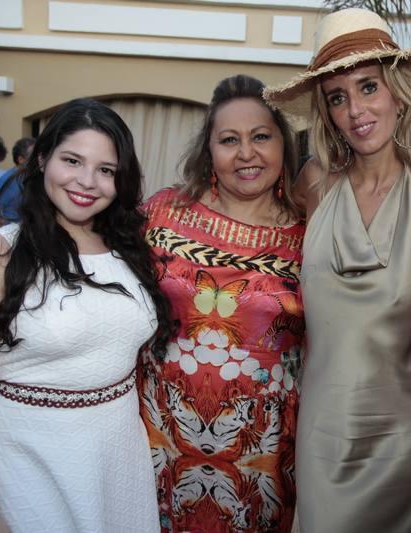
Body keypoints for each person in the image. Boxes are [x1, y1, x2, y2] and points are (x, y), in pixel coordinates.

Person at [265, 8, 411, 532]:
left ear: (398, 93)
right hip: (325, 429)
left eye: (368, 87)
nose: (356, 110)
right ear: (327, 113)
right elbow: (259, 256)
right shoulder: (314, 183)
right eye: (337, 97)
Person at [0, 98, 173, 532]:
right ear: (43, 159)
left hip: (117, 459)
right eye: (72, 160)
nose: (87, 181)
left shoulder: (131, 250)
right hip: (23, 464)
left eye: (106, 169)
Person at [139, 75, 305, 531]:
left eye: (261, 137)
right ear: (209, 150)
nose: (246, 153)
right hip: (157, 439)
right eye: (229, 140)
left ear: (284, 145)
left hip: (259, 453)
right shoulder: (162, 213)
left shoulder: (312, 235)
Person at [0, 137, 35, 228]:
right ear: (21, 159)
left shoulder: (33, 179)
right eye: (34, 155)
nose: (39, 158)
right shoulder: (6, 181)